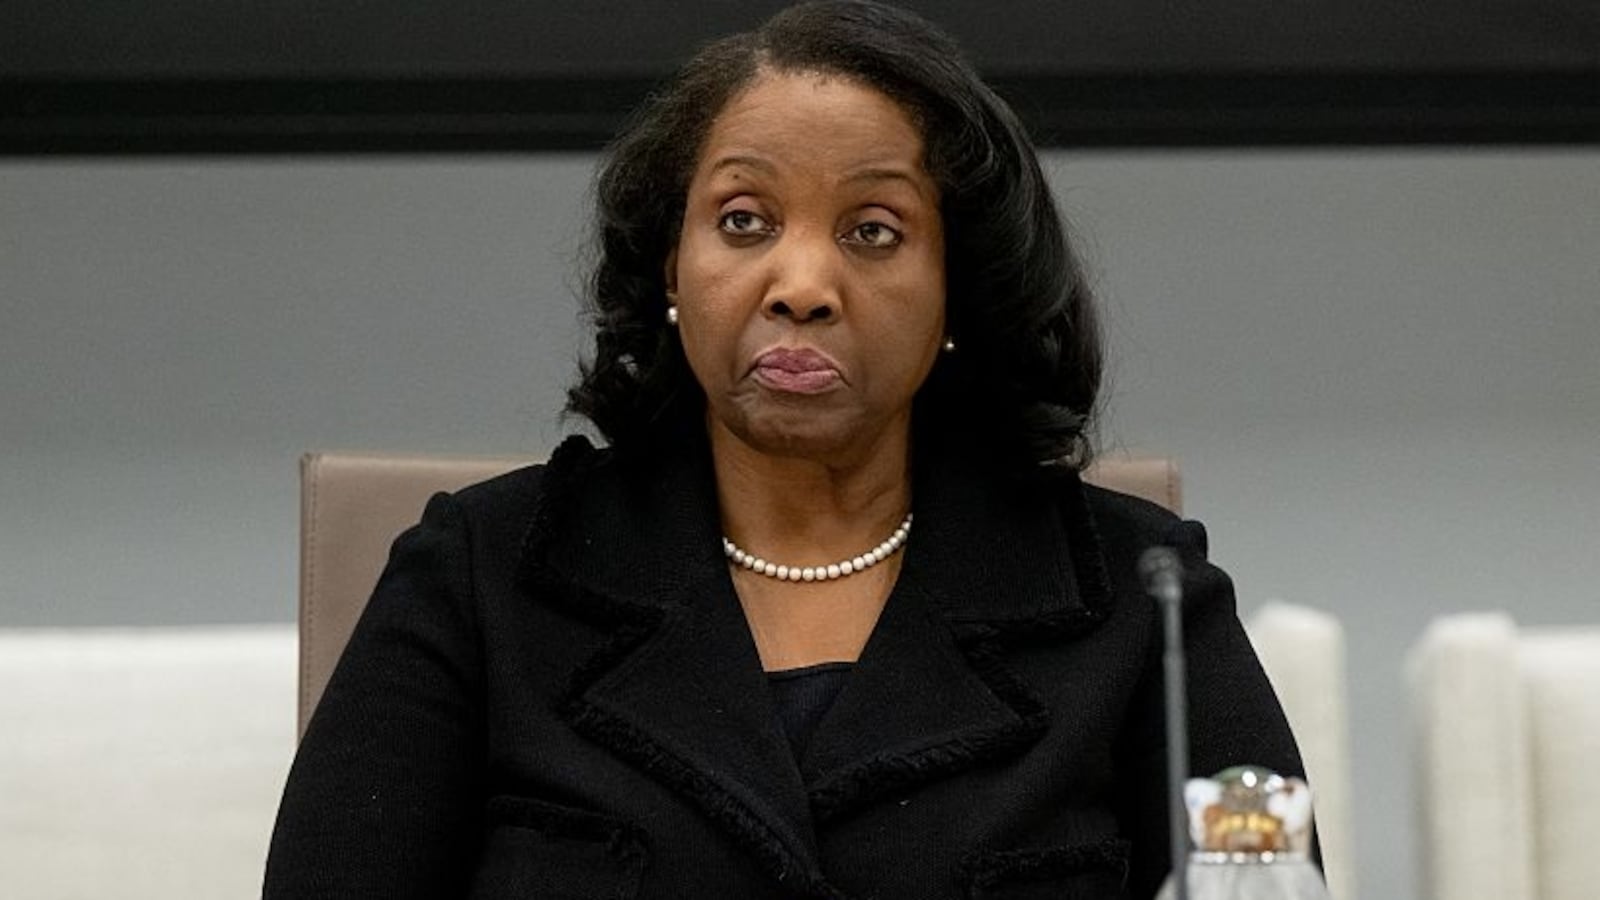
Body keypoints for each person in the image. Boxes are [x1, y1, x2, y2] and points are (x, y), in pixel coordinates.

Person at [263, 3, 1309, 898]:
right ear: (672, 267)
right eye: (745, 218)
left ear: (958, 289)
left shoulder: (1141, 601)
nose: (800, 283)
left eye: (873, 231)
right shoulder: (482, 576)